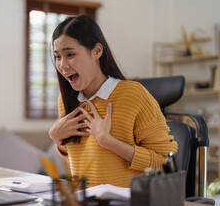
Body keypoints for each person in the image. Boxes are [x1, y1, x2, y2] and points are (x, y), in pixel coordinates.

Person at [48, 15, 178, 188]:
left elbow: (165, 163)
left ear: (97, 51)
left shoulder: (133, 94)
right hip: (87, 204)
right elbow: (85, 161)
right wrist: (57, 139)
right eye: (57, 57)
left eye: (70, 54)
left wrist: (108, 141)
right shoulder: (66, 100)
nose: (62, 65)